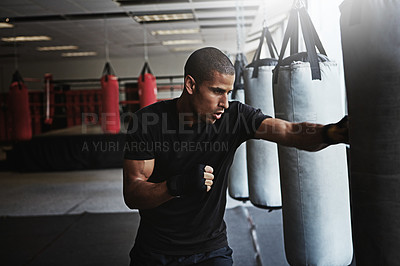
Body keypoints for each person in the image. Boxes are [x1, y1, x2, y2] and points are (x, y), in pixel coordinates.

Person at [123, 47, 348, 266]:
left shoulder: (234, 117)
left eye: (228, 93)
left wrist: (331, 133)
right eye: (217, 91)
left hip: (211, 249)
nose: (225, 103)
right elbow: (133, 193)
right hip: (156, 251)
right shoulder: (147, 122)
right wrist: (175, 185)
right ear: (191, 85)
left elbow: (289, 131)